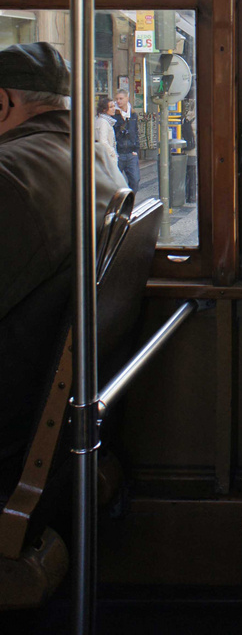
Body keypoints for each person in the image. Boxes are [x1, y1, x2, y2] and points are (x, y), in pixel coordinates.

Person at [0, 43, 126, 470]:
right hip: (60, 404)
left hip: (15, 410)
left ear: (3, 102)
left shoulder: (9, 172)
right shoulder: (96, 158)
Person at [113, 87, 141, 192]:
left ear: (127, 99)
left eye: (121, 98)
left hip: (131, 153)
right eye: (117, 99)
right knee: (116, 183)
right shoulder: (114, 114)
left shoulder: (133, 114)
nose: (118, 101)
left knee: (135, 180)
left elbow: (135, 131)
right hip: (118, 153)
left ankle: (129, 203)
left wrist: (136, 149)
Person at [95, 94, 119, 167]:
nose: (113, 108)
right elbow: (103, 141)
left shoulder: (102, 120)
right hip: (107, 158)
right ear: (104, 109)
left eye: (114, 106)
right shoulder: (103, 122)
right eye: (111, 107)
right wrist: (112, 152)